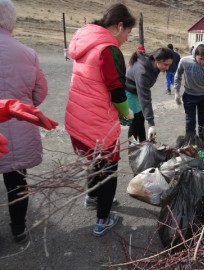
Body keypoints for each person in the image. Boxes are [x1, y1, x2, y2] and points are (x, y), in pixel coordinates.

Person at [64, 3, 136, 236]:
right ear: (119, 26)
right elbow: (115, 89)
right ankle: (102, 220)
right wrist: (126, 112)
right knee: (108, 169)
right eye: (128, 33)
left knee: (94, 161)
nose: (126, 38)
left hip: (79, 118)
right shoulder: (107, 49)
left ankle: (91, 197)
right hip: (98, 122)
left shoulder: (86, 41)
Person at [0, 0, 56, 243]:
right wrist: (24, 103)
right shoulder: (27, 52)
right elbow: (40, 92)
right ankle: (19, 228)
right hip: (18, 123)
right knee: (17, 181)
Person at [125, 47, 174, 142]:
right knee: (134, 123)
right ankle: (133, 151)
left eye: (169, 65)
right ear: (157, 60)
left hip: (137, 92)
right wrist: (151, 124)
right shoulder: (142, 71)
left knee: (140, 121)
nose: (167, 68)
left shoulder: (152, 63)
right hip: (129, 92)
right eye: (165, 64)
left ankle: (144, 145)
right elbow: (145, 98)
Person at [174, 42, 204, 136]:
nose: (203, 61)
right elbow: (178, 75)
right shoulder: (185, 61)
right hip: (189, 96)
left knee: (203, 123)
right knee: (190, 122)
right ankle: (190, 144)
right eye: (201, 59)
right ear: (195, 54)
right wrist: (176, 92)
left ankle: (202, 143)